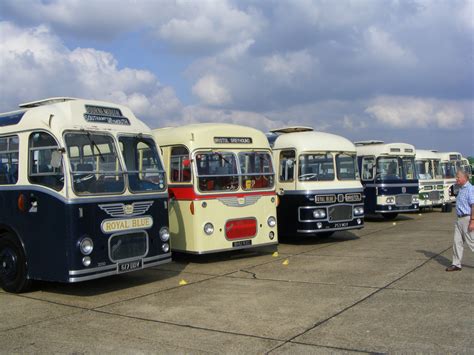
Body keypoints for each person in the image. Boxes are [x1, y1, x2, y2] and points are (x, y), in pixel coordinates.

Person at [446, 169, 474, 271]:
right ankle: (456, 264)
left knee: (472, 243)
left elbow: (473, 205)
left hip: (467, 219)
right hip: (459, 219)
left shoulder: (470, 189)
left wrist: (472, 221)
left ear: (464, 177)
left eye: (458, 177)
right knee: (457, 242)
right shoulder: (461, 188)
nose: (456, 179)